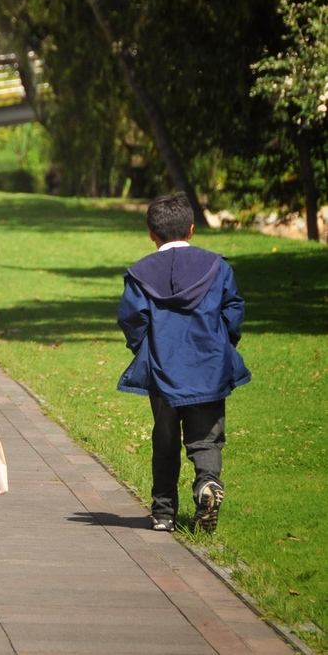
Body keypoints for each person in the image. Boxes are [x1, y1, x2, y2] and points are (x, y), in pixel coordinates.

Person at [117, 192, 250, 534]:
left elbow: (133, 320)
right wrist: (223, 344)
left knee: (164, 440)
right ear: (191, 230)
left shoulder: (140, 273)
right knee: (206, 438)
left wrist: (145, 350)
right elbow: (232, 311)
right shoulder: (217, 267)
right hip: (209, 367)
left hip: (163, 370)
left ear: (151, 233)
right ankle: (207, 484)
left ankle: (163, 513)